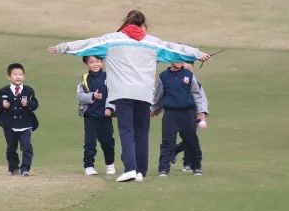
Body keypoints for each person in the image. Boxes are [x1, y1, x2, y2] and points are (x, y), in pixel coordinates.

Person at [48, 10, 209, 183]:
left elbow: (86, 45)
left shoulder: (113, 40)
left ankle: (130, 169)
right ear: (142, 25)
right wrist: (198, 54)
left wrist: (60, 48)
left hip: (123, 93)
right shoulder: (151, 42)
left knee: (126, 130)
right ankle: (140, 171)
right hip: (144, 94)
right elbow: (173, 48)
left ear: (126, 23)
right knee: (142, 132)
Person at [152, 62, 209, 176]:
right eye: (175, 58)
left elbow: (197, 95)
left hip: (188, 113)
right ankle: (163, 169)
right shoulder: (163, 76)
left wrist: (201, 111)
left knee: (191, 140)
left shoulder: (189, 75)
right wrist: (154, 110)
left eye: (180, 59)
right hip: (170, 114)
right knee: (167, 141)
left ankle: (196, 167)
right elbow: (159, 95)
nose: (178, 61)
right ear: (170, 60)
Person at [0, 63, 39, 176]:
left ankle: (25, 168)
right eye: (15, 74)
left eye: (20, 74)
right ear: (9, 76)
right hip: (9, 124)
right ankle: (13, 168)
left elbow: (35, 104)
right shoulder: (4, 91)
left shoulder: (29, 90)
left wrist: (28, 103)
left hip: (25, 124)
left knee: (26, 146)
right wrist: (2, 104)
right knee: (11, 148)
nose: (18, 77)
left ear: (24, 76)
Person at [77, 55, 115, 176]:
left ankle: (110, 164)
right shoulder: (84, 79)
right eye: (91, 62)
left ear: (102, 62)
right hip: (90, 116)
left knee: (107, 142)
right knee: (90, 142)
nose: (95, 64)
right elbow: (80, 96)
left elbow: (114, 93)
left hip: (105, 116)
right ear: (86, 64)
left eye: (97, 61)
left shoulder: (108, 77)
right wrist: (93, 96)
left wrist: (110, 108)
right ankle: (89, 166)